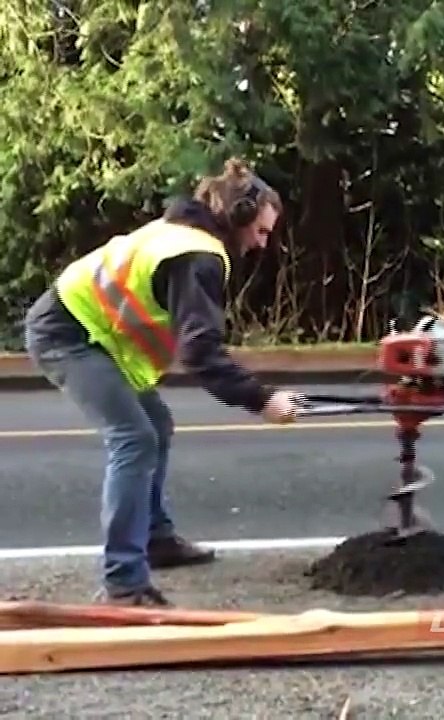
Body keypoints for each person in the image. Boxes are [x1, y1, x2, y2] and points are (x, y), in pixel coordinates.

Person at [23, 157, 304, 606]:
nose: (261, 244)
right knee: (134, 439)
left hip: (95, 333)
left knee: (156, 425)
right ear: (239, 216)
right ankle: (123, 583)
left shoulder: (182, 236)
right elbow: (200, 352)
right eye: (262, 231)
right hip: (66, 333)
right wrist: (262, 399)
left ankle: (155, 540)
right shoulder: (197, 257)